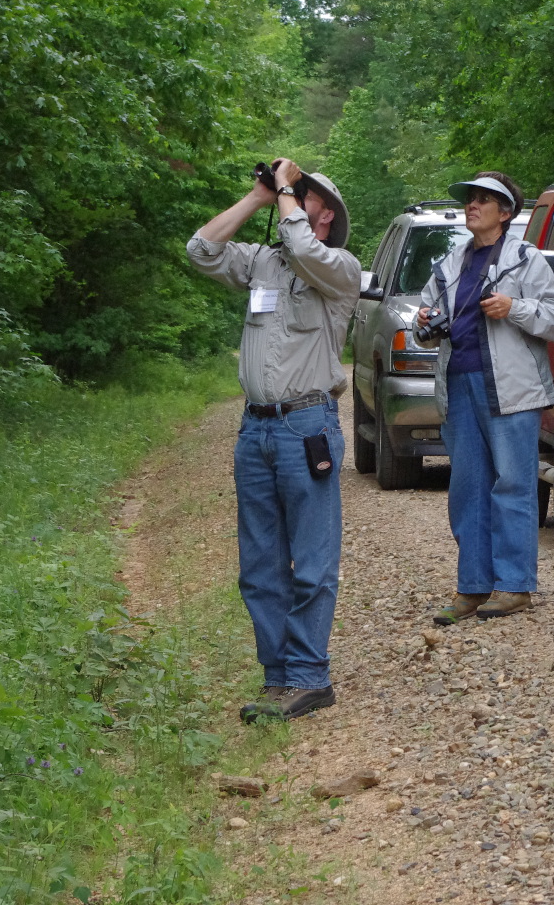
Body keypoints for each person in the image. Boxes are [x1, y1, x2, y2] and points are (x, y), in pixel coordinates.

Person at [187, 158, 360, 723]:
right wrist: (258, 197)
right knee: (260, 564)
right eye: (288, 192)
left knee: (311, 561)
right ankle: (277, 677)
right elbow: (201, 250)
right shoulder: (264, 262)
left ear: (324, 214)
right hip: (254, 428)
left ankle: (310, 675)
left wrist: (287, 189)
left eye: (301, 194)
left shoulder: (337, 267)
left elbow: (305, 251)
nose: (289, 197)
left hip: (306, 427)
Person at [420, 173, 554, 624]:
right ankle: (472, 587)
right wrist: (425, 321)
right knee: (467, 488)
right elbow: (426, 325)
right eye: (470, 199)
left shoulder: (526, 260)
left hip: (513, 389)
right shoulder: (450, 263)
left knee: (513, 486)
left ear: (506, 213)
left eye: (484, 200)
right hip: (461, 384)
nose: (472, 206)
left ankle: (515, 586)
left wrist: (515, 308)